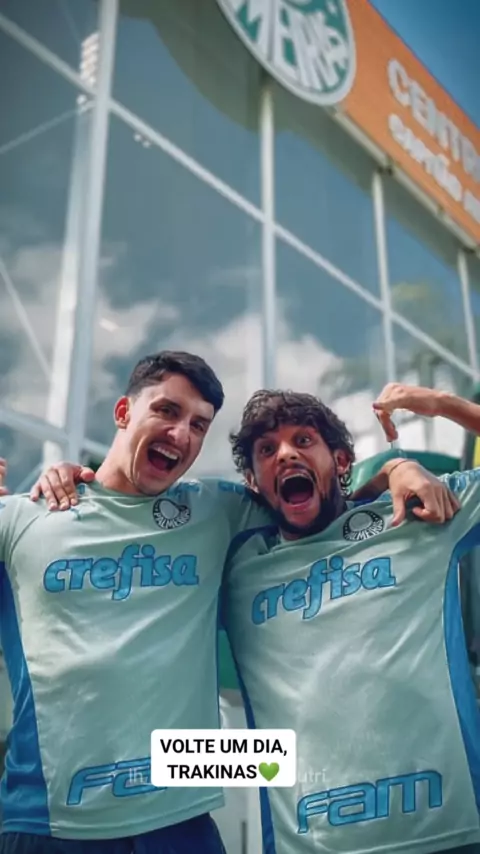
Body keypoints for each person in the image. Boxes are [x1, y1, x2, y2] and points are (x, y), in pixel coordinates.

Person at [0, 352, 450, 854]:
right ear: (123, 412)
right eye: (166, 411)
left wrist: (396, 467)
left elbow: (327, 502)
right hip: (46, 824)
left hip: (180, 825)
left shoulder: (216, 510)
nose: (181, 433)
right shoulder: (24, 519)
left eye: (198, 425)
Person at [221, 384, 480, 854]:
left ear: (340, 461)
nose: (285, 454)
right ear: (254, 484)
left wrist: (444, 406)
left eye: (303, 440)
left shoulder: (413, 512)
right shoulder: (236, 570)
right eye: (267, 450)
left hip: (455, 832)